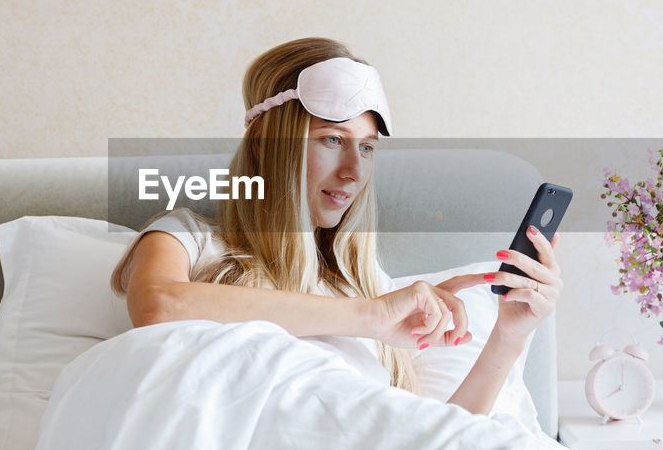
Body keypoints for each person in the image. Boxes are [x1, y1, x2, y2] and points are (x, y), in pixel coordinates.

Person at [110, 37, 562, 414]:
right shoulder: (188, 238)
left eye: (366, 148)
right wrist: (373, 316)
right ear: (269, 140)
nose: (353, 172)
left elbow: (437, 444)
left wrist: (508, 337)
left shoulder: (367, 287)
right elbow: (158, 306)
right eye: (332, 140)